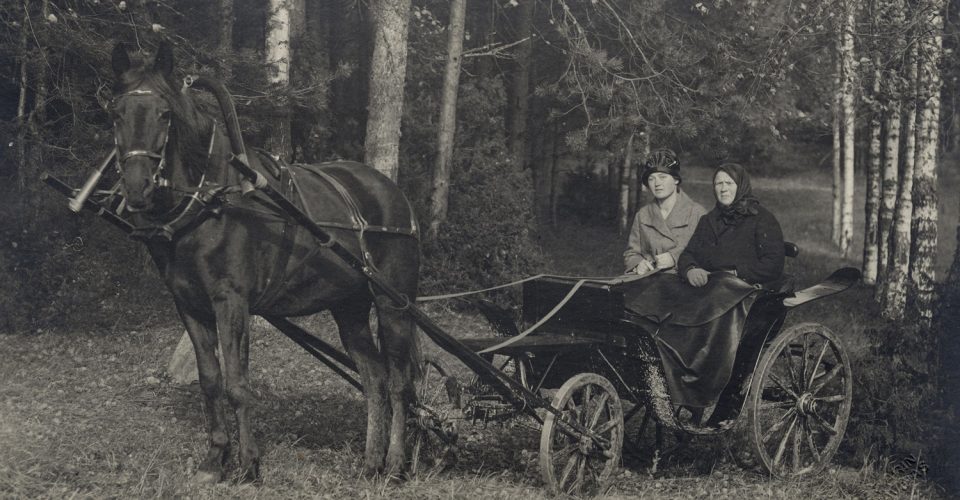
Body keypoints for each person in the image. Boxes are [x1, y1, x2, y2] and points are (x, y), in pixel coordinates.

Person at [678, 163, 784, 288]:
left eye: (729, 183)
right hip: (709, 287)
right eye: (719, 184)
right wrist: (691, 270)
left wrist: (735, 273)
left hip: (745, 288)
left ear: (741, 186)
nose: (723, 189)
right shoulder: (708, 220)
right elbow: (687, 254)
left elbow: (773, 264)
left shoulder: (761, 218)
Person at [623, 149, 707, 275]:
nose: (657, 183)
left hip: (685, 282)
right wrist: (638, 265)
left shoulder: (697, 213)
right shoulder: (643, 215)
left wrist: (675, 257)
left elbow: (706, 253)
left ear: (676, 180)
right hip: (649, 282)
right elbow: (632, 253)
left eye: (663, 177)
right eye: (651, 179)